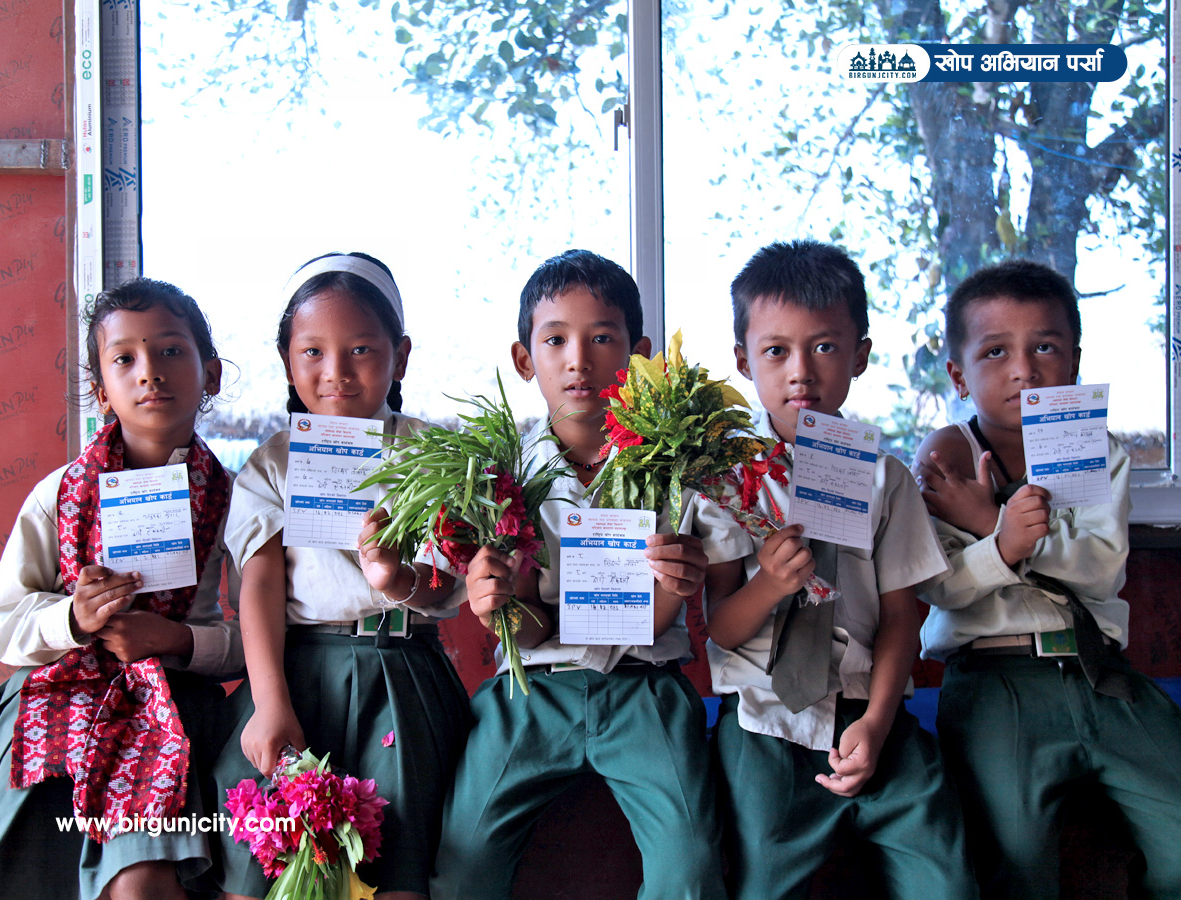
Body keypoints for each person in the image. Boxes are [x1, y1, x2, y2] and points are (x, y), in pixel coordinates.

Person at [429, 249, 750, 900]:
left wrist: (677, 579)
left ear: (638, 352)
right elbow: (526, 618)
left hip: (646, 688)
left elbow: (680, 611)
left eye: (603, 337)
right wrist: (495, 605)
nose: (579, 359)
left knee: (690, 867)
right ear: (526, 360)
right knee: (462, 866)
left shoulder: (679, 461)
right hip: (532, 692)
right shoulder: (500, 466)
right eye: (556, 340)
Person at [706, 240, 975, 900]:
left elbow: (900, 620)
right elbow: (720, 628)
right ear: (743, 361)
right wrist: (769, 584)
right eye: (776, 351)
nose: (801, 371)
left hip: (874, 714)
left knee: (947, 881)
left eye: (825, 347)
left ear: (859, 354)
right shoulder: (720, 481)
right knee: (757, 883)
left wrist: (879, 724)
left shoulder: (885, 480)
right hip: (766, 725)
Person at [915, 258, 1181, 900]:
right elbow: (940, 586)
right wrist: (1002, 541)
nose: (1024, 369)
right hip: (995, 684)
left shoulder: (1095, 448)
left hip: (1103, 675)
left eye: (1045, 347)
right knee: (1016, 868)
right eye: (996, 351)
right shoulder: (943, 459)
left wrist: (999, 529)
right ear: (958, 373)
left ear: (1075, 361)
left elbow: (1100, 567)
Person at [210, 253, 471, 900]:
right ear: (287, 359)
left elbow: (447, 586)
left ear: (400, 356)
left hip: (401, 673)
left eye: (361, 350)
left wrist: (394, 577)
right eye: (313, 353)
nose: (336, 373)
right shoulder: (272, 466)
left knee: (398, 875)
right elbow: (261, 584)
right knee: (260, 864)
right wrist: (268, 701)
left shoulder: (433, 459)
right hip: (294, 673)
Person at [0, 278, 241, 900]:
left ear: (210, 374)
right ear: (101, 391)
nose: (150, 373)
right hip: (55, 702)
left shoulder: (238, 499)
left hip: (174, 706)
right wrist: (71, 618)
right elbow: (5, 623)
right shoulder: (59, 496)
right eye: (125, 359)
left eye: (171, 351)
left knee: (143, 885)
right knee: (39, 875)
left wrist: (175, 639)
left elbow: (256, 639)